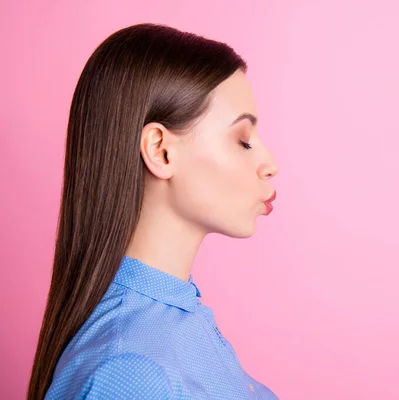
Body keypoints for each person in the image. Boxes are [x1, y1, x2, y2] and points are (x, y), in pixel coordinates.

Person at [27, 22, 280, 400]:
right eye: (243, 141)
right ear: (160, 151)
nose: (269, 164)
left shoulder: (176, 314)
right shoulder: (132, 373)